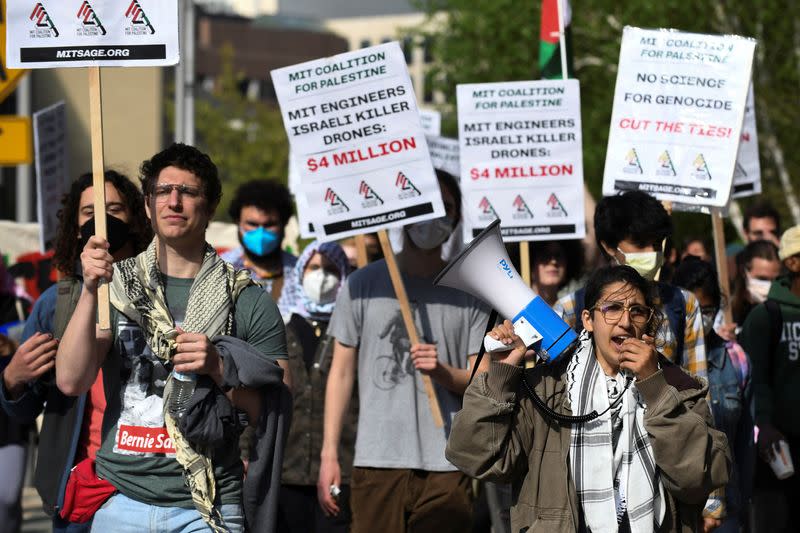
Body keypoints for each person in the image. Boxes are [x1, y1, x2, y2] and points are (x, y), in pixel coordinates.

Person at [55, 144, 288, 532]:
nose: (174, 201)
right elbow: (70, 380)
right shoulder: (117, 286)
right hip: (120, 502)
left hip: (208, 507)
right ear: (148, 205)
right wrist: (91, 289)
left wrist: (218, 367)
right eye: (163, 191)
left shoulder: (244, 298)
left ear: (211, 206)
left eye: (189, 192)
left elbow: (275, 409)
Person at [447, 265, 730, 532]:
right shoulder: (547, 389)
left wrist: (655, 389)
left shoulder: (680, 387)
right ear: (588, 320)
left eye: (637, 311)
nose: (625, 321)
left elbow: (697, 479)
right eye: (612, 309)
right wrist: (502, 374)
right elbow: (478, 458)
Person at [317, 170, 490, 533]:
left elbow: (482, 382)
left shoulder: (471, 293)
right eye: (428, 202)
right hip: (376, 462)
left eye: (447, 206)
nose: (435, 214)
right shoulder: (363, 284)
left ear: (456, 218)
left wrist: (443, 372)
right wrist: (329, 452)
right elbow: (341, 373)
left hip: (448, 466)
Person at [0, 170, 151, 532]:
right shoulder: (56, 304)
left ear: (134, 219)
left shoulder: (163, 295)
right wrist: (12, 379)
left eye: (113, 208)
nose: (101, 220)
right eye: (89, 212)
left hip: (152, 489)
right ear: (75, 226)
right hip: (82, 493)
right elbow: (24, 409)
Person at [555, 190, 707, 378]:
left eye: (657, 244)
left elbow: (698, 389)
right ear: (609, 247)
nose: (652, 252)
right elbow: (555, 388)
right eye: (640, 244)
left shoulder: (683, 303)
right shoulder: (570, 308)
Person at [278, 241, 356, 533]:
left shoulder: (351, 332)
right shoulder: (280, 328)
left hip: (342, 469)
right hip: (288, 469)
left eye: (331, 269)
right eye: (314, 268)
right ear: (300, 273)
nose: (322, 277)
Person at [673, 257, 754, 533]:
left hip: (726, 509)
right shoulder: (661, 359)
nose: (700, 319)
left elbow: (744, 443)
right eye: (693, 309)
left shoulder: (736, 359)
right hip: (676, 509)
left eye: (706, 310)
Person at [739, 225, 800, 532]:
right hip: (780, 452)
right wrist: (764, 423)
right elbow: (755, 379)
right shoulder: (767, 316)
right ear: (793, 263)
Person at [731, 240, 781, 326]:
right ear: (744, 273)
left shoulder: (788, 312)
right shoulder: (729, 313)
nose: (769, 286)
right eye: (762, 279)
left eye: (775, 280)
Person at [528, 240, 583, 306]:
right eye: (545, 255)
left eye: (558, 255)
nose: (553, 261)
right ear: (530, 262)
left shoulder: (575, 311)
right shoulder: (515, 310)